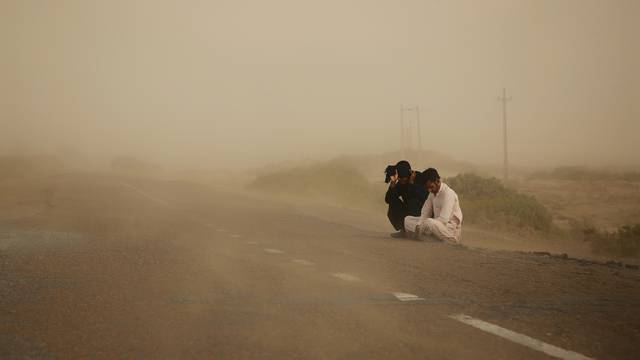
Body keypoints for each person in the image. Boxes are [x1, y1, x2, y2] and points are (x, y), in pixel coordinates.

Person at [404, 168, 463, 243]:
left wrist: (422, 227)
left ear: (437, 181)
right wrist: (419, 225)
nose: (429, 190)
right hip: (435, 227)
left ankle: (423, 236)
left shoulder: (448, 194)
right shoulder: (432, 193)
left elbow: (443, 220)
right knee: (407, 220)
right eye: (427, 188)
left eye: (431, 187)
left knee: (429, 222)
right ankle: (425, 237)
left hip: (449, 232)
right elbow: (425, 212)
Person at [384, 161, 428, 238]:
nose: (402, 181)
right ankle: (404, 231)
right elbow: (388, 200)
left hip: (423, 212)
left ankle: (416, 231)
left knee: (413, 202)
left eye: (403, 179)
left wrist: (411, 183)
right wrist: (393, 184)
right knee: (393, 202)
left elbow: (424, 197)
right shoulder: (401, 182)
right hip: (409, 211)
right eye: (399, 179)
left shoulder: (420, 178)